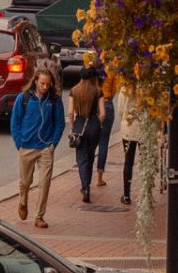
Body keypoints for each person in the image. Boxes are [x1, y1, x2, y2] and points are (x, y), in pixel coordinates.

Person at [10, 68, 66, 229]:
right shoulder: (24, 98)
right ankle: (23, 200)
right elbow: (15, 122)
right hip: (26, 146)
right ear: (35, 81)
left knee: (45, 183)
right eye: (42, 83)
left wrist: (53, 144)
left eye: (48, 84)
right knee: (25, 182)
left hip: (45, 147)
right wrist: (19, 143)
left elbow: (60, 123)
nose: (45, 87)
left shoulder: (54, 100)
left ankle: (39, 216)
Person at [68, 58, 104, 204]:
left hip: (80, 124)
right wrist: (98, 123)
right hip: (94, 125)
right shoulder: (97, 91)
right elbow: (103, 114)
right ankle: (87, 184)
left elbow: (70, 112)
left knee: (81, 158)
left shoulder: (73, 91)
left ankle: (85, 187)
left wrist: (73, 126)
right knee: (90, 156)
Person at [113, 80, 146, 205]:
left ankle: (126, 195)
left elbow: (121, 109)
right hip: (144, 128)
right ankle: (145, 194)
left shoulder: (125, 87)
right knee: (145, 161)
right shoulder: (148, 86)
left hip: (128, 128)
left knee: (128, 161)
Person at [95, 67, 119, 188]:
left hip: (94, 103)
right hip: (107, 102)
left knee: (90, 143)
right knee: (103, 143)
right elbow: (115, 89)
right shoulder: (112, 69)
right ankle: (99, 177)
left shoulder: (93, 65)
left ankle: (86, 176)